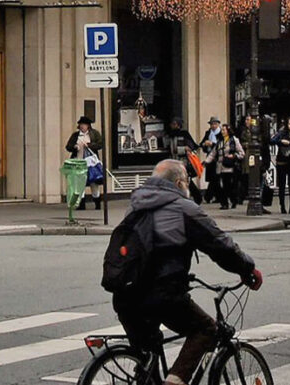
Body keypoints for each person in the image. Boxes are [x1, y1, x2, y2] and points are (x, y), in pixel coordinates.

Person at [106, 159, 261, 385]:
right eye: (187, 182)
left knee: (147, 355)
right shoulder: (184, 208)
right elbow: (220, 245)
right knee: (206, 329)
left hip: (125, 296)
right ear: (179, 183)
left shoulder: (136, 205)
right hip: (162, 295)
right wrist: (247, 269)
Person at [65, 117, 104, 210]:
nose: (82, 126)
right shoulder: (75, 135)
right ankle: (81, 205)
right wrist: (75, 147)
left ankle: (97, 203)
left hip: (92, 163)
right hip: (79, 162)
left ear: (88, 126)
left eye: (84, 125)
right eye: (81, 125)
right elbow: (68, 147)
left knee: (94, 183)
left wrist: (90, 145)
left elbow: (101, 144)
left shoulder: (94, 134)